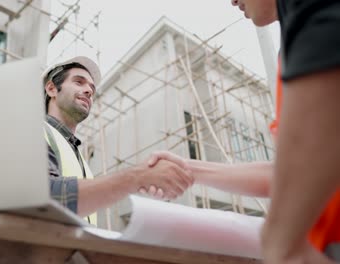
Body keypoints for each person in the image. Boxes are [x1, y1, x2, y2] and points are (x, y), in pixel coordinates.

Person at [148, 0, 340, 263]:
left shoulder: (315, 19)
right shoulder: (293, 48)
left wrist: (281, 241)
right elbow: (287, 172)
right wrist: (188, 169)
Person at [42, 56, 194, 225]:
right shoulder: (33, 130)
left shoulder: (79, 158)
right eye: (79, 82)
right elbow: (44, 196)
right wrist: (139, 177)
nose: (89, 91)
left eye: (92, 88)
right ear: (52, 89)